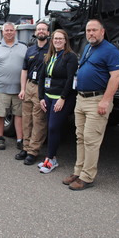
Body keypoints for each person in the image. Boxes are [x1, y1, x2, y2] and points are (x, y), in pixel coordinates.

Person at [64, 19, 119, 190]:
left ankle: (87, 177)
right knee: (80, 137)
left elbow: (116, 76)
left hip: (97, 101)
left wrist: (106, 100)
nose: (90, 33)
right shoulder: (88, 47)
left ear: (102, 32)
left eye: (94, 30)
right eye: (88, 30)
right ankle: (78, 171)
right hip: (81, 99)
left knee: (91, 140)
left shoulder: (110, 51)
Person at [37, 29, 78, 173]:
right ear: (52, 41)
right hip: (48, 97)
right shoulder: (49, 56)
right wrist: (41, 97)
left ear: (66, 41)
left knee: (54, 127)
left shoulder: (70, 57)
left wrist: (63, 98)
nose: (58, 41)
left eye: (61, 39)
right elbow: (42, 77)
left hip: (62, 98)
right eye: (55, 39)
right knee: (50, 127)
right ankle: (49, 158)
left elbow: (70, 79)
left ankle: (51, 159)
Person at [0, 22, 27, 150]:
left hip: (19, 90)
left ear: (15, 32)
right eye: (6, 30)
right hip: (0, 88)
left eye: (11, 30)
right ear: (2, 32)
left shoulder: (24, 47)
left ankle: (20, 140)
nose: (9, 32)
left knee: (19, 115)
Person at [16, 21, 50, 165]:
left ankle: (33, 151)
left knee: (38, 121)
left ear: (48, 33)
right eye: (39, 29)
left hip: (41, 88)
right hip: (29, 85)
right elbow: (24, 70)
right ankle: (26, 147)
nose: (41, 31)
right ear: (35, 33)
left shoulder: (52, 50)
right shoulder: (30, 50)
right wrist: (23, 89)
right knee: (26, 119)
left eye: (44, 29)